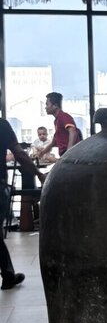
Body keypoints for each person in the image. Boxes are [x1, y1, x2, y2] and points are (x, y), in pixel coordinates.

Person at [0, 117, 46, 289]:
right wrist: (38, 174)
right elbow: (19, 153)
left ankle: (8, 275)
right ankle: (7, 275)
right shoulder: (2, 125)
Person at [38, 92, 81, 158]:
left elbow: (73, 132)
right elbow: (53, 143)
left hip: (71, 156)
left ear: (55, 105)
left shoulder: (63, 116)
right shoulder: (57, 121)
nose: (45, 107)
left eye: (47, 104)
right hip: (65, 155)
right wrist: (42, 153)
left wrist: (68, 152)